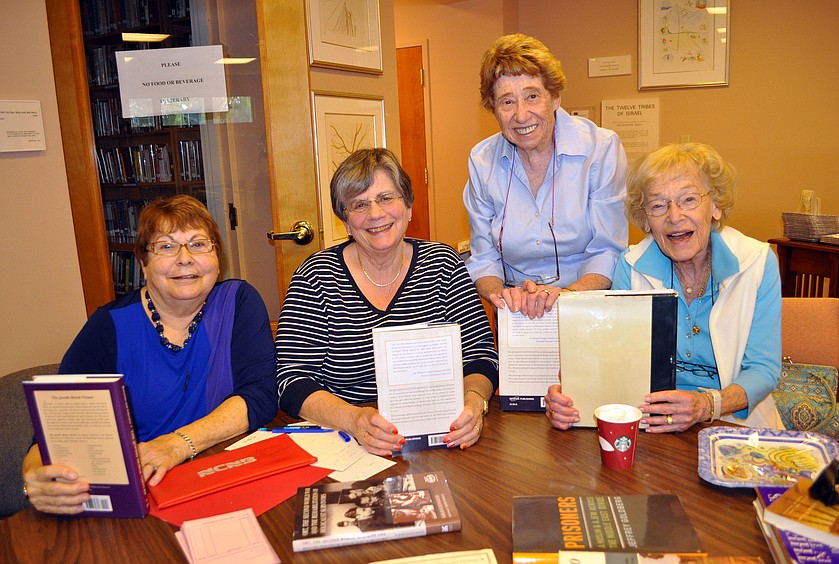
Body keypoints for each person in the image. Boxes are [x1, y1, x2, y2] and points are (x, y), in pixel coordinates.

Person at [22, 195, 277, 514]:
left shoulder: (239, 302)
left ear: (217, 256)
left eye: (199, 244)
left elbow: (261, 395)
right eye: (167, 247)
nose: (185, 259)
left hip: (223, 474)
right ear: (143, 263)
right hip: (142, 491)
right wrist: (34, 479)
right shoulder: (108, 326)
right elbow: (54, 428)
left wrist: (178, 444)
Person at [545, 142, 782, 432]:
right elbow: (608, 358)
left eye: (689, 200)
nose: (674, 216)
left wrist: (707, 404)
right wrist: (569, 392)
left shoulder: (756, 263)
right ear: (645, 219)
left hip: (734, 425)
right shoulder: (631, 267)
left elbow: (763, 370)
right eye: (658, 205)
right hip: (649, 422)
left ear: (716, 206)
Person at [276, 148, 498, 455]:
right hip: (347, 440)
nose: (376, 214)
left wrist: (475, 402)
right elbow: (291, 379)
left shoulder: (443, 265)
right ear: (345, 220)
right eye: (359, 204)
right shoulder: (316, 276)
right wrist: (354, 419)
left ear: (408, 206)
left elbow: (481, 356)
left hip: (443, 435)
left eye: (386, 198)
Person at [463, 33, 628, 319]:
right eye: (507, 102)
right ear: (493, 109)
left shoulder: (600, 149)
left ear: (554, 98)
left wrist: (568, 297)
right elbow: (484, 256)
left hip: (585, 303)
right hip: (516, 308)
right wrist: (500, 295)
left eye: (532, 96)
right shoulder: (482, 161)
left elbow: (607, 250)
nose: (522, 115)